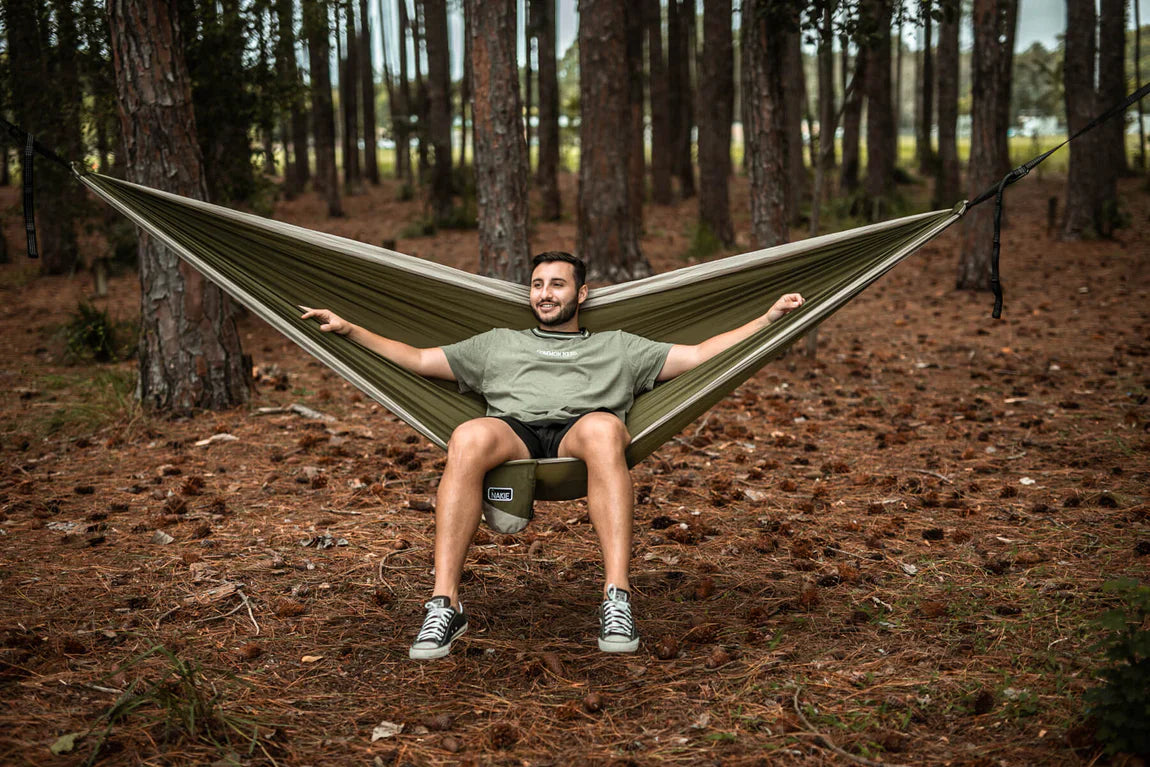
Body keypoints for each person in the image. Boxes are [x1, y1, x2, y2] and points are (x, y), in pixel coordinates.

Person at [302, 252, 804, 659]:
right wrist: (348, 329)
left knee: (608, 429)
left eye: (558, 284)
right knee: (467, 436)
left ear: (581, 294)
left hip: (580, 432)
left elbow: (697, 356)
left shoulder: (620, 347)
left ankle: (616, 597)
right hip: (515, 433)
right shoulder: (498, 344)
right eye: (538, 284)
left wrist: (768, 319)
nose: (545, 293)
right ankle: (444, 602)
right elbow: (415, 359)